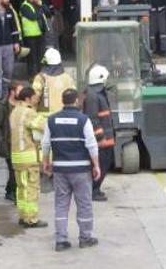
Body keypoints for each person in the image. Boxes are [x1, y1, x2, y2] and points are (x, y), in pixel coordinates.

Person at [41, 89, 101, 252]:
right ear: (76, 101)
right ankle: (85, 238)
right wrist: (96, 165)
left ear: (63, 101)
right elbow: (91, 144)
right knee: (84, 205)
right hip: (81, 170)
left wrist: (46, 162)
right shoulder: (83, 120)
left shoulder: (51, 120)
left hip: (60, 170)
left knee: (61, 204)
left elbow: (45, 144)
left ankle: (61, 240)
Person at [9, 87, 47, 228]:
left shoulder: (14, 112)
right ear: (27, 99)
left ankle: (22, 216)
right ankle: (31, 219)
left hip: (17, 157)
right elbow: (43, 126)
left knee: (21, 188)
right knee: (31, 188)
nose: (36, 99)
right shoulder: (28, 112)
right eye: (34, 97)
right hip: (28, 158)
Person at [83, 65, 116, 201]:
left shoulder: (98, 94)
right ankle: (93, 190)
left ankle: (96, 188)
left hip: (106, 139)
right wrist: (100, 137)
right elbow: (93, 119)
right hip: (101, 141)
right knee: (101, 164)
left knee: (105, 163)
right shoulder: (93, 96)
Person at [0, 82, 23, 202]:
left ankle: (9, 190)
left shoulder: (22, 105)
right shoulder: (2, 106)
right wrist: (1, 140)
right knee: (13, 169)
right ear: (12, 92)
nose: (22, 93)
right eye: (19, 90)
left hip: (20, 143)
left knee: (15, 169)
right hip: (8, 144)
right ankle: (14, 193)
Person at [32, 48, 75, 115]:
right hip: (64, 114)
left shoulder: (40, 78)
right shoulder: (67, 77)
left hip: (45, 117)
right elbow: (73, 96)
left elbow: (34, 98)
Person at [20, 0, 50, 77]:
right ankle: (32, 76)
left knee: (41, 56)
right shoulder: (24, 6)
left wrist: (41, 5)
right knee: (32, 58)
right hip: (30, 36)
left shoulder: (39, 3)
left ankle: (41, 75)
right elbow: (33, 17)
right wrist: (41, 10)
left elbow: (48, 13)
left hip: (40, 34)